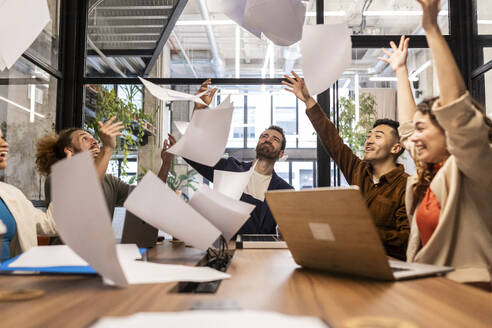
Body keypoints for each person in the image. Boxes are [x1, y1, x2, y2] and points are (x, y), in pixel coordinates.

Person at [379, 0, 492, 286]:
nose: (412, 138)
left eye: (423, 128)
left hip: (471, 293)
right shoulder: (429, 172)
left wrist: (431, 28)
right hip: (428, 287)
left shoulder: (473, 167)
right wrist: (401, 71)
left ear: (449, 131)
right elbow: (406, 130)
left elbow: (456, 111)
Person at [282, 72, 410, 260]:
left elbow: (406, 238)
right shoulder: (359, 170)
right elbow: (333, 141)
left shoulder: (406, 185)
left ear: (396, 148)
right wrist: (308, 100)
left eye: (378, 136)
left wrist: (359, 231)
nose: (369, 141)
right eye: (368, 136)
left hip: (387, 263)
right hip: (350, 257)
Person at [176, 79, 293, 235]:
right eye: (264, 136)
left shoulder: (284, 191)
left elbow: (290, 229)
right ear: (257, 144)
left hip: (263, 253)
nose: (268, 139)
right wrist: (199, 110)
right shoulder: (230, 168)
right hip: (226, 248)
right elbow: (195, 155)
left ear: (281, 153)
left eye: (275, 139)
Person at [36, 117, 175, 217]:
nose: (95, 141)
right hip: (64, 255)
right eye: (84, 138)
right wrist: (107, 147)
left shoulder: (110, 181)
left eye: (94, 137)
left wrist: (166, 163)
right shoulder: (57, 178)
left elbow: (149, 197)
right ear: (70, 151)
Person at [0, 128, 56, 261]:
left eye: (2, 138)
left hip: (13, 279)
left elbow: (50, 225)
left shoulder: (12, 194)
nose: (5, 144)